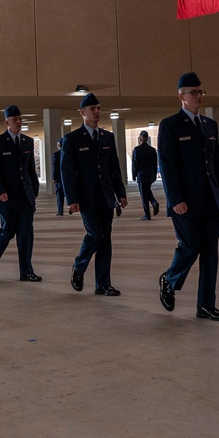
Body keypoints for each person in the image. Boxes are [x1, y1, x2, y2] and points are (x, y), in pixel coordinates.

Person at [157, 73, 219, 320]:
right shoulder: (170, 125)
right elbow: (168, 165)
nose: (198, 96)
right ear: (181, 96)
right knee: (190, 246)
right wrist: (175, 198)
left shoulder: (210, 125)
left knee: (210, 252)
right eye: (193, 92)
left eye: (201, 92)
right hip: (185, 202)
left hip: (210, 199)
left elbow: (216, 163)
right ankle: (170, 278)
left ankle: (206, 305)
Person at [60, 93, 127, 296]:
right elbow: (67, 172)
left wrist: (120, 193)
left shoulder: (108, 137)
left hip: (106, 196)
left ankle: (103, 284)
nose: (97, 112)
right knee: (95, 235)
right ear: (82, 113)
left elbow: (114, 167)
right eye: (93, 109)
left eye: (99, 108)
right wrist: (72, 199)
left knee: (105, 240)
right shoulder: (71, 140)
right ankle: (79, 266)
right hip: (86, 197)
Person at [0, 105, 41, 282]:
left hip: (25, 196)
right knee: (8, 231)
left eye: (20, 119)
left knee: (26, 233)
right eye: (15, 119)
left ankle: (26, 271)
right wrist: (0, 191)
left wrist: (34, 190)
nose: (19, 122)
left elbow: (31, 169)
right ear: (6, 121)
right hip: (6, 195)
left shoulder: (27, 142)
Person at [131, 131, 160, 220]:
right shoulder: (152, 150)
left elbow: (135, 164)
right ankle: (154, 203)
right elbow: (155, 164)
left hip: (141, 175)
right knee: (147, 191)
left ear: (140, 139)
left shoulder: (137, 149)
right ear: (147, 139)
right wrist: (154, 174)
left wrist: (134, 174)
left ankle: (147, 215)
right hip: (150, 174)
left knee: (144, 195)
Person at [51, 139, 65, 216]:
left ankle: (60, 211)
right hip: (69, 178)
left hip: (59, 178)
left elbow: (54, 167)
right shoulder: (69, 153)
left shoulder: (56, 154)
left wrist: (54, 178)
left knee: (59, 195)